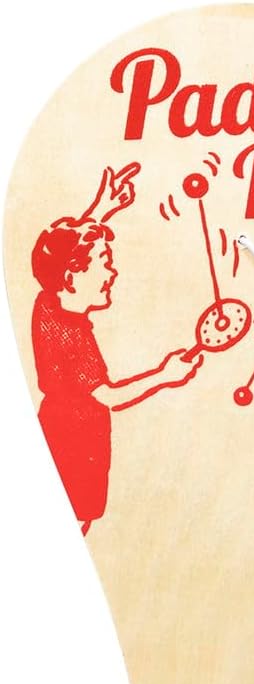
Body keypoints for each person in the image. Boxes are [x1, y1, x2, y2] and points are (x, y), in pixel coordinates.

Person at [31, 163, 203, 535]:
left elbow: (62, 252)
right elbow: (108, 395)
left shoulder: (47, 303)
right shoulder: (74, 337)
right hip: (77, 441)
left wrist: (101, 209)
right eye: (105, 263)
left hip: (57, 428)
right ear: (73, 277)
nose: (113, 273)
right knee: (75, 520)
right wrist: (164, 376)